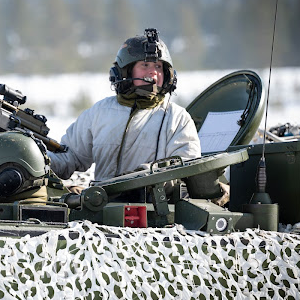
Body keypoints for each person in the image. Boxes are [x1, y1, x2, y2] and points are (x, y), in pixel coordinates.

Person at [48, 29, 201, 199]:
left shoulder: (177, 118)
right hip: (101, 208)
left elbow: (186, 170)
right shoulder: (99, 112)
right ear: (125, 71)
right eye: (145, 65)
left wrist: (141, 180)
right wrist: (38, 157)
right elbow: (69, 157)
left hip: (153, 213)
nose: (153, 72)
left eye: (158, 67)